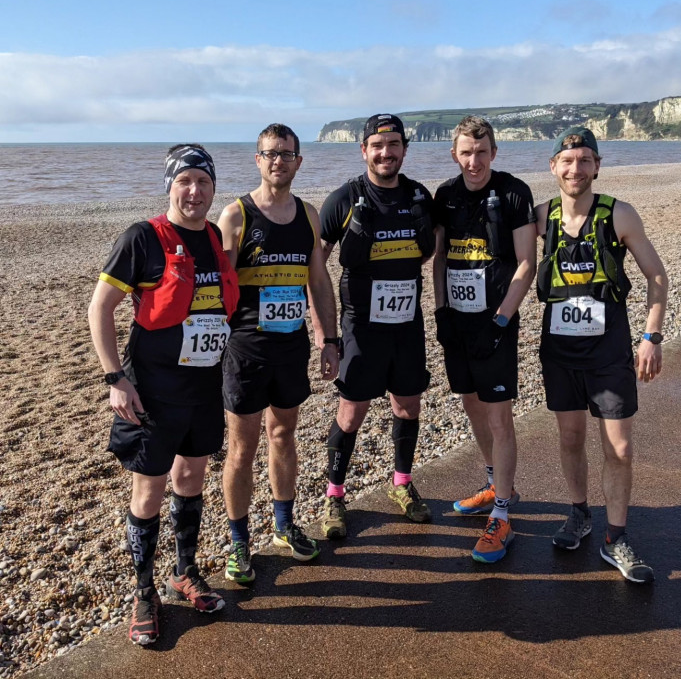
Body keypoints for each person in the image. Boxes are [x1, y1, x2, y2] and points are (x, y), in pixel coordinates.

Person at [88, 145, 238, 646]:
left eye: (203, 182)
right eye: (185, 181)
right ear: (170, 184)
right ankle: (142, 591)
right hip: (151, 391)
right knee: (149, 489)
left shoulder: (214, 237)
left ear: (214, 187)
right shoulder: (142, 238)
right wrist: (115, 379)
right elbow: (100, 309)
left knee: (192, 476)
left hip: (202, 388)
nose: (194, 191)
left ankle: (184, 571)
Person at [536, 126, 668, 583]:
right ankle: (579, 515)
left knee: (620, 448)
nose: (576, 168)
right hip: (558, 350)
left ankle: (616, 537)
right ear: (553, 166)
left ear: (597, 166)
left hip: (609, 350)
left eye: (585, 160)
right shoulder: (541, 217)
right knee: (571, 439)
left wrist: (651, 337)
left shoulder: (619, 215)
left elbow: (657, 278)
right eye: (567, 160)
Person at [218, 124, 339, 581]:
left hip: (291, 348)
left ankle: (285, 525)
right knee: (242, 448)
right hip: (245, 351)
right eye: (270, 154)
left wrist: (329, 340)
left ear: (298, 161)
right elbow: (219, 289)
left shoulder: (308, 215)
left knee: (284, 435)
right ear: (257, 160)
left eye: (286, 154)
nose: (278, 161)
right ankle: (237, 542)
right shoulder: (236, 215)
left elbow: (319, 283)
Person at [313, 113, 435, 538]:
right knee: (351, 412)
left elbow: (423, 254)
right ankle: (333, 496)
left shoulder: (420, 196)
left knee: (408, 405)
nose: (386, 153)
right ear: (364, 150)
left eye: (394, 145)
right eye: (378, 146)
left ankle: (402, 484)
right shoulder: (343, 200)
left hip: (406, 325)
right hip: (360, 327)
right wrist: (325, 333)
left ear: (404, 149)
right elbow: (316, 269)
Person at [432, 116, 536, 563]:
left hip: (495, 322)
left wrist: (501, 319)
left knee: (499, 417)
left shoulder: (514, 192)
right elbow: (439, 259)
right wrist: (439, 309)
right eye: (466, 153)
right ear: (454, 154)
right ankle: (495, 482)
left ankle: (504, 514)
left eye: (482, 152)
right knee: (471, 404)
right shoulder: (445, 195)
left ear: (494, 152)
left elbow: (527, 263)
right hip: (457, 321)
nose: (474, 161)